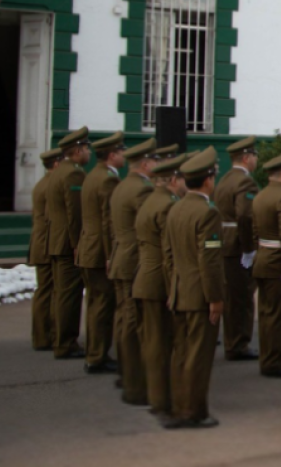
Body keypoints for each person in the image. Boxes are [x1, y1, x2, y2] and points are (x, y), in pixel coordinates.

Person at [165, 147, 226, 429]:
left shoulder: (175, 208)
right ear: (208, 180)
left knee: (180, 355)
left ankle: (178, 408)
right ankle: (193, 412)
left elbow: (168, 255)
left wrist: (172, 289)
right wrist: (215, 298)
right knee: (198, 357)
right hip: (200, 294)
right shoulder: (207, 213)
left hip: (179, 291)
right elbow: (210, 261)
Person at [135, 152, 188, 427]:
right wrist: (174, 291)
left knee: (154, 341)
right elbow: (170, 254)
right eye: (183, 179)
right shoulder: (167, 206)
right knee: (160, 343)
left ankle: (156, 396)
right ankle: (161, 401)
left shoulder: (151, 200)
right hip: (158, 281)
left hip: (146, 276)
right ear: (174, 179)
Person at [108, 138, 157, 405]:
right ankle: (132, 377)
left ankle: (126, 373)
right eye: (155, 162)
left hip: (120, 257)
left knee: (123, 317)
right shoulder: (141, 190)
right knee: (132, 321)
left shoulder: (122, 185)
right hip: (133, 260)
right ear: (146, 163)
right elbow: (146, 227)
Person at [79, 131, 126, 375]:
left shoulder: (92, 176)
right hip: (99, 251)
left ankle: (93, 352)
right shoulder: (108, 180)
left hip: (89, 247)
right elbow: (109, 222)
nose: (125, 155)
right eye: (121, 152)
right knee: (103, 305)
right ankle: (97, 356)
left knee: (95, 303)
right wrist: (111, 256)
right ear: (112, 155)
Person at [251, 151, 281, 378]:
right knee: (278, 314)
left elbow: (252, 229)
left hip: (262, 258)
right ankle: (273, 360)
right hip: (277, 263)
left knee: (266, 313)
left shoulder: (260, 195)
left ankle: (267, 357)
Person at [45, 127, 90, 361]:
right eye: (87, 148)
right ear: (79, 150)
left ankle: (59, 338)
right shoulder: (74, 174)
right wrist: (77, 243)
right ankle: (66, 344)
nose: (89, 153)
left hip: (56, 239)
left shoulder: (58, 171)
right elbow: (75, 213)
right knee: (69, 295)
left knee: (62, 293)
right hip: (67, 242)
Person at [214, 137, 261, 362]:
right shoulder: (245, 183)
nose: (256, 159)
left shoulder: (224, 179)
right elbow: (245, 215)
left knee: (232, 295)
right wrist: (249, 248)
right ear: (246, 157)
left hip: (225, 242)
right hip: (238, 244)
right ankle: (238, 344)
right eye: (254, 155)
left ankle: (234, 341)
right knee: (241, 297)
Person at [29, 147, 62, 352]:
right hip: (47, 243)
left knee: (45, 290)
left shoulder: (42, 183)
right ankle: (46, 336)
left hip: (41, 242)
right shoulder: (51, 185)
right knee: (49, 290)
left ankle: (42, 336)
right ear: (56, 164)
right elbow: (54, 217)